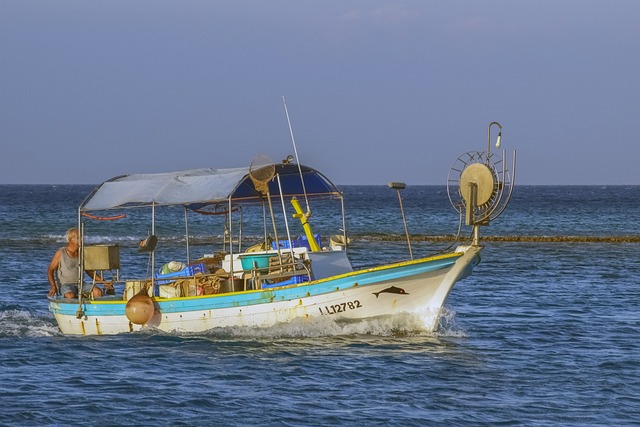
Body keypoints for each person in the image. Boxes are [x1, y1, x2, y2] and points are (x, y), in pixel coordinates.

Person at [47, 227, 110, 298]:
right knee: (70, 295)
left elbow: (89, 271)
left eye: (82, 237)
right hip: (65, 285)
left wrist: (104, 282)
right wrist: (53, 286)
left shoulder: (82, 254)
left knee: (98, 292)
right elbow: (50, 270)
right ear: (71, 239)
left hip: (80, 284)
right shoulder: (61, 253)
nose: (82, 239)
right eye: (78, 237)